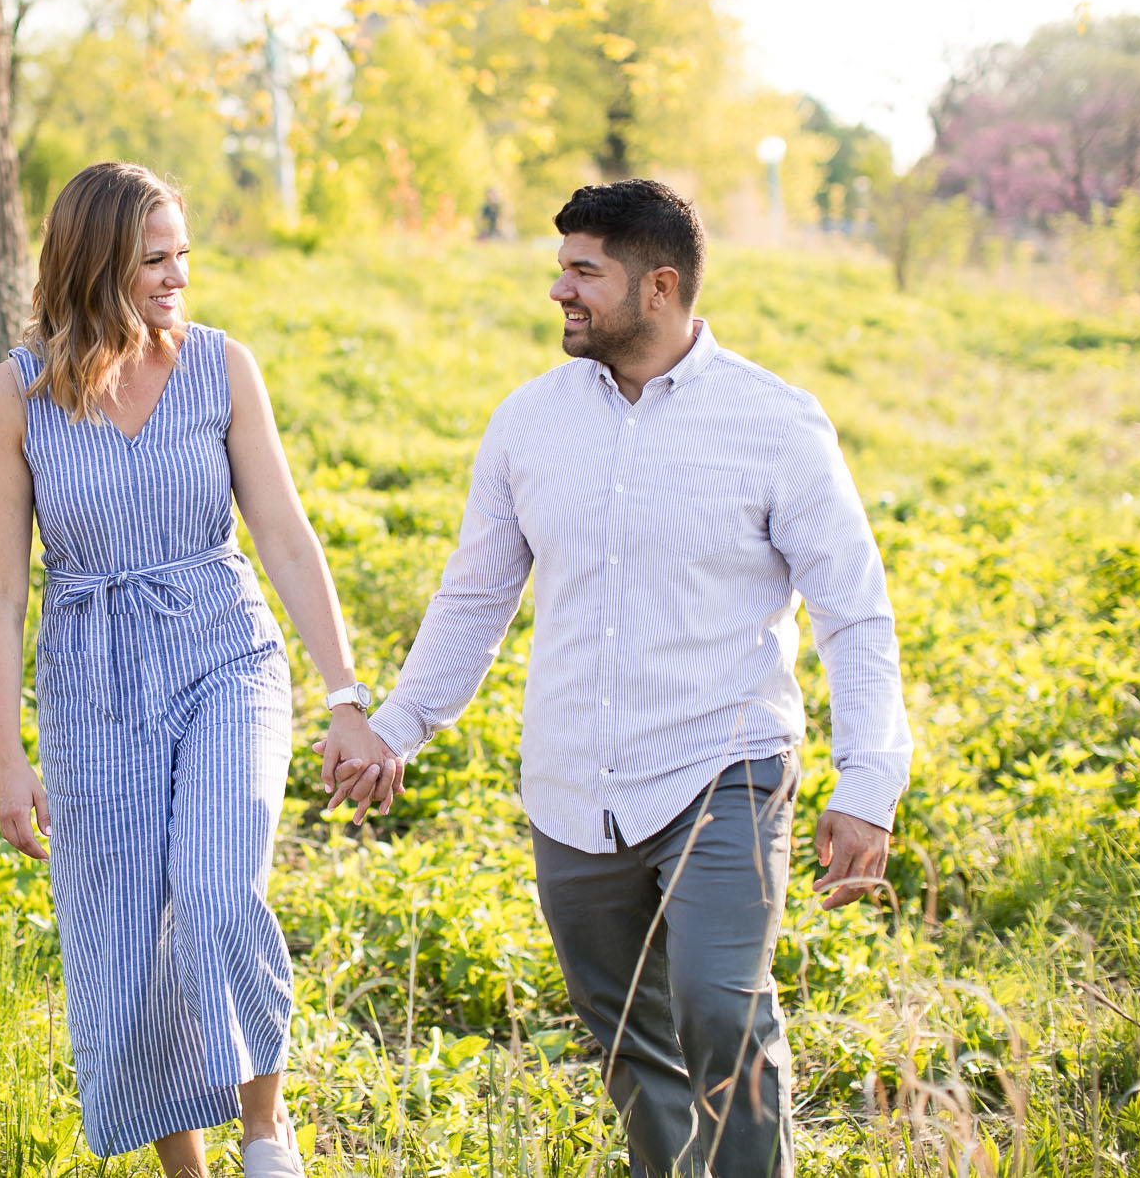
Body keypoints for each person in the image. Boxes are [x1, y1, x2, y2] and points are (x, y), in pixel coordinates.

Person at [321, 178, 913, 1178]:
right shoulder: (525, 423)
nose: (559, 291)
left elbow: (853, 612)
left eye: (582, 271)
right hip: (570, 782)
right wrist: (396, 724)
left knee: (719, 1007)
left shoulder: (776, 424)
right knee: (628, 1042)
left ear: (659, 285)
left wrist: (868, 785)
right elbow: (473, 599)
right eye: (559, 270)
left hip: (721, 764)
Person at [0, 161, 400, 1178]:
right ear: (90, 267)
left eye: (181, 256)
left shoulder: (218, 365)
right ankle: (188, 1170)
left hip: (223, 652)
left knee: (214, 892)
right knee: (124, 932)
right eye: (151, 260)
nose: (175, 278)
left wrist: (344, 695)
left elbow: (284, 537)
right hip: (92, 675)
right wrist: (5, 754)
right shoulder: (12, 394)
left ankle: (264, 1130)